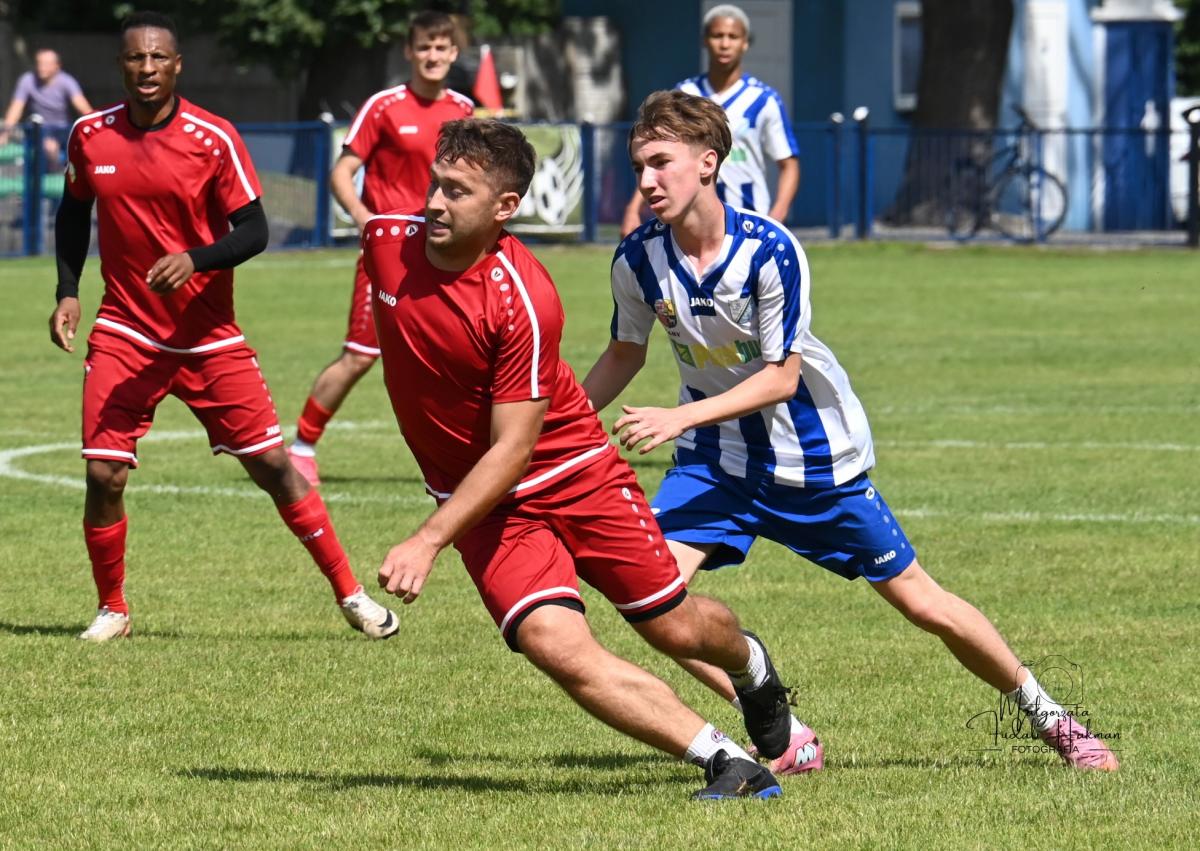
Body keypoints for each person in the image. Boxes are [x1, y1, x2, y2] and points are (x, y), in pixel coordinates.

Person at [583, 90, 1120, 774]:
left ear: (708, 163)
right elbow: (624, 353)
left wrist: (678, 415)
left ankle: (1055, 720)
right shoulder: (636, 259)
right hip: (715, 461)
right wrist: (557, 419)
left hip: (810, 460)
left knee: (924, 603)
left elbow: (781, 379)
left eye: (661, 162)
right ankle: (781, 726)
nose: (647, 180)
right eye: (639, 166)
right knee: (654, 602)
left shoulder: (769, 250)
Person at [364, 117, 797, 799]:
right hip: (486, 503)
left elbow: (514, 446)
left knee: (672, 625)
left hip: (573, 474)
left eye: (458, 192)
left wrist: (427, 539)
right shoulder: (383, 242)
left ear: (505, 207)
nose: (436, 204)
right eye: (436, 185)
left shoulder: (523, 299)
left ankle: (750, 665)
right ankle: (725, 761)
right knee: (551, 641)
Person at [48, 11, 398, 642]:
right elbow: (73, 213)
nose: (147, 68)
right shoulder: (90, 135)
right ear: (121, 65)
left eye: (159, 57)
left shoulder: (213, 137)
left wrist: (195, 259)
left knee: (273, 467)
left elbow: (255, 230)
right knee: (103, 474)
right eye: (136, 58)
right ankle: (113, 609)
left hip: (209, 339)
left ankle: (351, 594)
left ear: (177, 65)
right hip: (126, 332)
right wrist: (67, 291)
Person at [285, 10, 475, 486]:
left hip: (446, 251)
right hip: (391, 254)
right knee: (360, 354)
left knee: (458, 352)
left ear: (454, 53)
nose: (433, 55)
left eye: (442, 47)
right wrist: (366, 220)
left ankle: (469, 454)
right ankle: (302, 447)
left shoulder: (464, 109)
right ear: (409, 52)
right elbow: (341, 173)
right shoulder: (384, 106)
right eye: (424, 47)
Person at [619, 4, 799, 236]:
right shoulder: (685, 94)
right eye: (717, 35)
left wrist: (777, 216)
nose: (724, 44)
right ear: (705, 41)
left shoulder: (764, 100)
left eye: (733, 37)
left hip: (748, 222)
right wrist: (633, 209)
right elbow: (656, 156)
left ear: (745, 43)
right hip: (692, 223)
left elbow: (789, 164)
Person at [1, 48, 93, 165]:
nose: (42, 67)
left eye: (46, 64)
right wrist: (5, 134)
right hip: (37, 131)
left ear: (57, 66)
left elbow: (83, 108)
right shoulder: (27, 80)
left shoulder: (67, 82)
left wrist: (95, 128)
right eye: (39, 63)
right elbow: (16, 109)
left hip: (62, 131)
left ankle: (60, 170)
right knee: (48, 147)